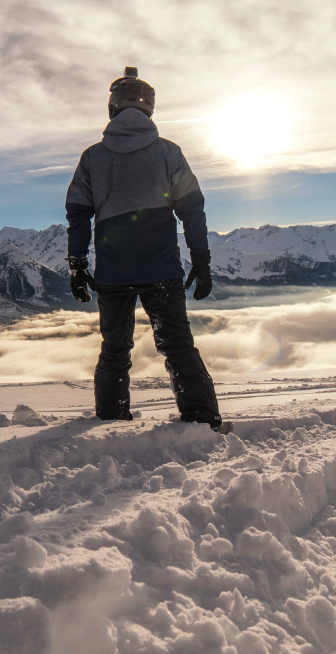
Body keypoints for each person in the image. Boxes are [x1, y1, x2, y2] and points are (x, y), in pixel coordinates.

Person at [65, 67, 222, 429]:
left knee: (115, 349)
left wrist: (77, 266)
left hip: (113, 274)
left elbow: (77, 215)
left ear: (112, 108)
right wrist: (201, 261)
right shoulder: (169, 153)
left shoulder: (93, 158)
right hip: (162, 271)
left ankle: (110, 421)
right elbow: (192, 211)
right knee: (179, 347)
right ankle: (202, 421)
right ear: (149, 108)